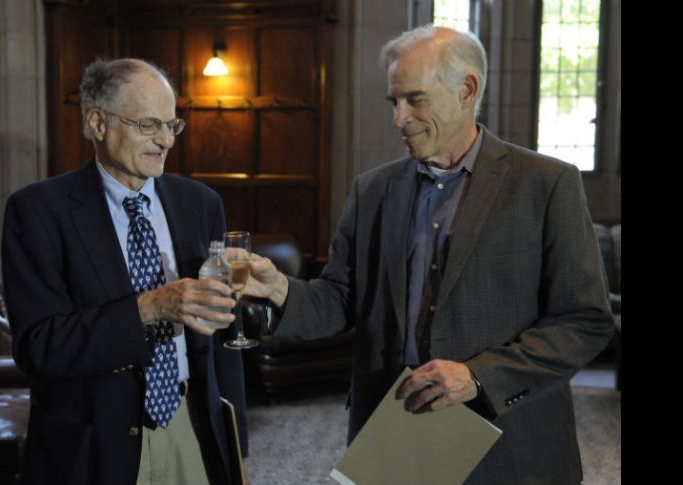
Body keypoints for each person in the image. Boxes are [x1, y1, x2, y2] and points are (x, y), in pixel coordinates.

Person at [245, 25, 614, 484]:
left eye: (414, 100)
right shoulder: (373, 190)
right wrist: (280, 290)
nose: (399, 119)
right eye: (393, 102)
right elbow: (342, 299)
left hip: (508, 442)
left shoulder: (546, 184)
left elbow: (584, 320)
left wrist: (478, 376)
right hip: (393, 435)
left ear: (467, 89)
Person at [2, 58, 247, 485]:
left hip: (189, 427)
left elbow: (225, 340)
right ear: (98, 122)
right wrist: (148, 309)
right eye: (148, 125)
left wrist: (236, 447)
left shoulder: (201, 203)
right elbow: (38, 347)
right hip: (92, 441)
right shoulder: (39, 210)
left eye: (172, 125)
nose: (166, 140)